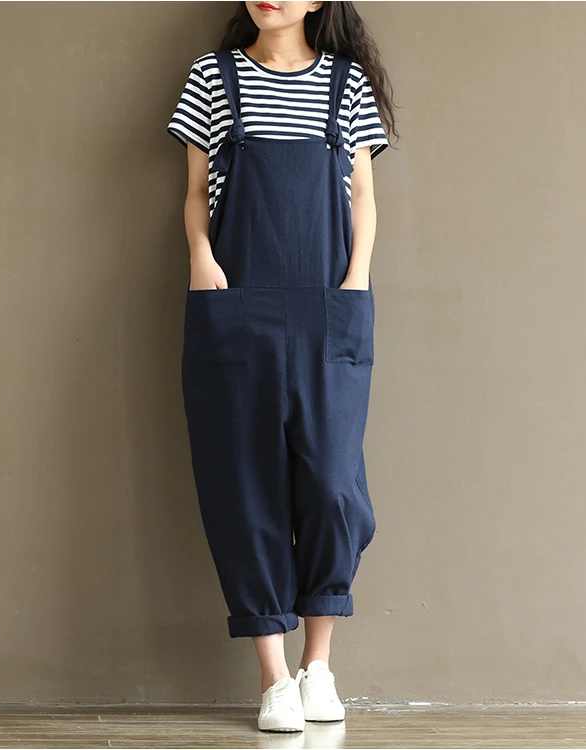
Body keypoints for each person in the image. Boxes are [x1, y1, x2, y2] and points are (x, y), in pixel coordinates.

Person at [167, 0, 399, 733]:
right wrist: (201, 259)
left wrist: (356, 277)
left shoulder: (347, 84)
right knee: (244, 490)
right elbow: (196, 191)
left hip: (330, 306)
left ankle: (317, 667)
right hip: (235, 304)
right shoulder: (212, 78)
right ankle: (273, 679)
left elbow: (362, 195)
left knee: (332, 487)